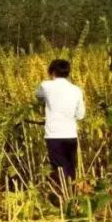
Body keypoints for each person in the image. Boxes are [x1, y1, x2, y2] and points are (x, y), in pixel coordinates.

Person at [35, 59, 85, 191]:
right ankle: (73, 196)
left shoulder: (46, 85)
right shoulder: (77, 90)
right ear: (68, 73)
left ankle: (63, 198)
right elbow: (80, 115)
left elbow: (38, 96)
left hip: (54, 135)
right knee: (70, 167)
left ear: (51, 72)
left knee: (58, 169)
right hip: (71, 134)